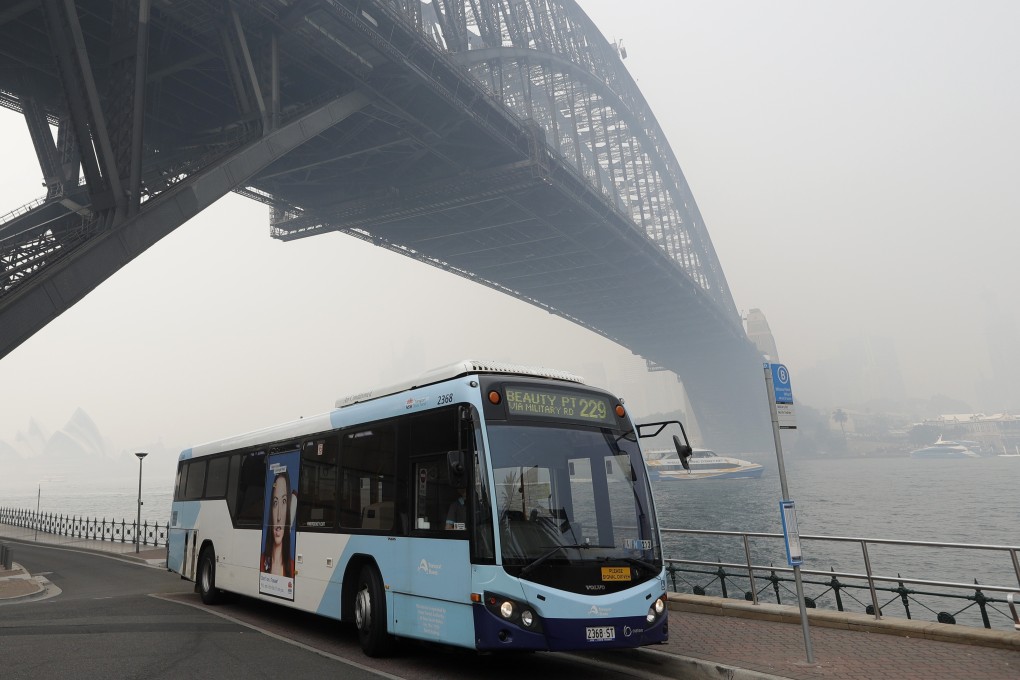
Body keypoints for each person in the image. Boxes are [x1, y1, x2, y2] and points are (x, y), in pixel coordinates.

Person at [261, 472, 295, 576]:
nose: (279, 517)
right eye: (275, 503)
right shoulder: (261, 561)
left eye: (284, 501)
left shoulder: (292, 567)